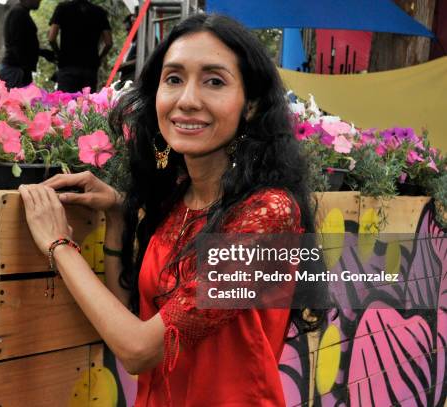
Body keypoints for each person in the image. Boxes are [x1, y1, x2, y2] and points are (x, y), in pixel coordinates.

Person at [19, 14, 325, 406]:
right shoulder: (179, 198)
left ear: (250, 105)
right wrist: (119, 215)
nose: (187, 100)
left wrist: (59, 243)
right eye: (174, 79)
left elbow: (139, 349)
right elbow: (135, 326)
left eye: (214, 81)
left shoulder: (268, 214)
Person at [48, 0, 112, 92]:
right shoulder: (99, 12)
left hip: (67, 66)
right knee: (86, 103)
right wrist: (99, 58)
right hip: (90, 69)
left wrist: (58, 54)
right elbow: (108, 43)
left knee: (66, 103)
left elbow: (51, 38)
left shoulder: (62, 8)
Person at [0, 0, 55, 89]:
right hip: (15, 71)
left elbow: (23, 44)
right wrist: (24, 68)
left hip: (17, 70)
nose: (39, 1)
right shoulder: (19, 13)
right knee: (14, 102)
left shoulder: (21, 13)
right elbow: (16, 44)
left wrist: (42, 52)